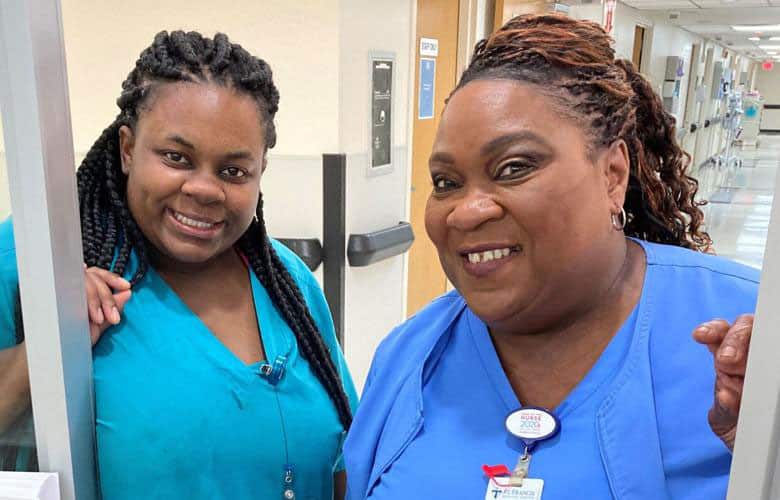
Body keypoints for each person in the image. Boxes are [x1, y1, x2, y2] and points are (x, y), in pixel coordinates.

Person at [344, 14, 755, 500]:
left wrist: (761, 456)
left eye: (514, 167)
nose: (467, 211)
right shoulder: (408, 357)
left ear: (612, 175)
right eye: (446, 183)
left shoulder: (749, 341)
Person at [0, 30, 357, 499]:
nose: (204, 189)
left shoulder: (288, 281)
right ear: (127, 149)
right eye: (176, 157)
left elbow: (344, 455)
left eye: (233, 171)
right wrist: (47, 344)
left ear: (260, 172)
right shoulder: (40, 259)